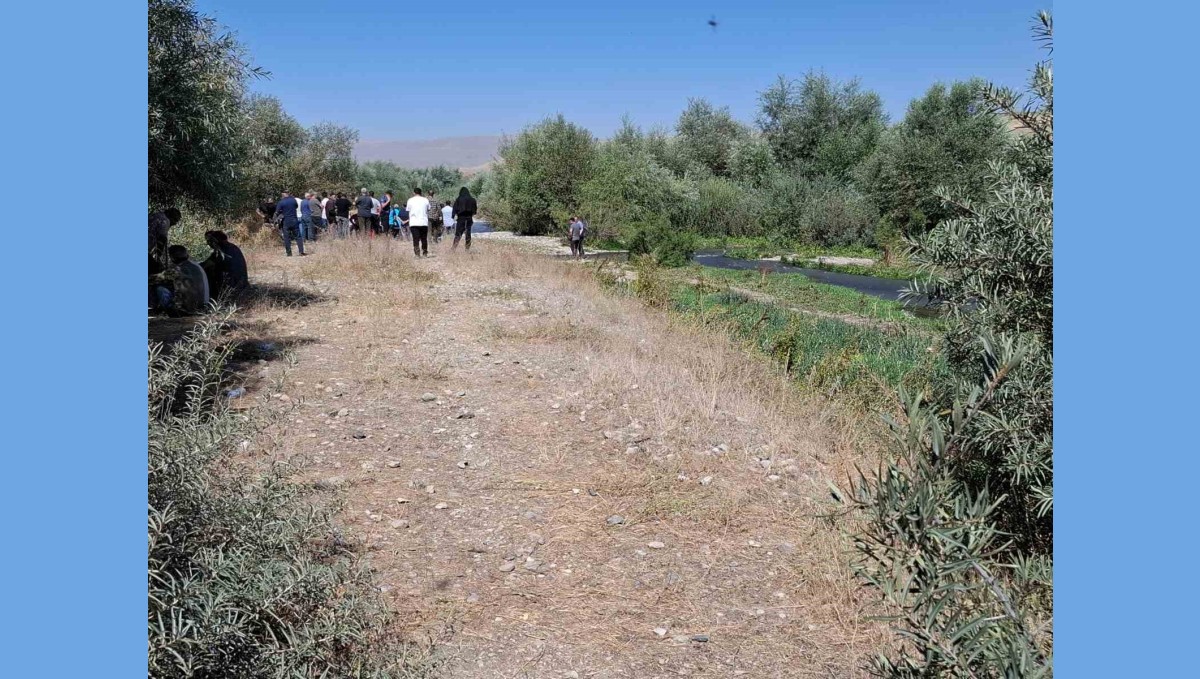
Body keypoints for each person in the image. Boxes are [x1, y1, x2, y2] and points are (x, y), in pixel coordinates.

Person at [153, 245, 210, 315]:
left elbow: (155, 279)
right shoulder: (196, 265)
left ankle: (165, 312)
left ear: (172, 257)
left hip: (188, 310)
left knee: (160, 288)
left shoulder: (177, 269)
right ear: (187, 254)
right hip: (203, 307)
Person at [202, 230, 249, 300]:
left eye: (209, 241)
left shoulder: (220, 252)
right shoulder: (233, 247)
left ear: (215, 241)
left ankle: (210, 297)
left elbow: (205, 265)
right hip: (242, 283)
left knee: (206, 271)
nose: (208, 244)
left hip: (231, 285)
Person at [274, 191, 305, 256]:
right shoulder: (293, 200)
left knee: (287, 237)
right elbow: (296, 207)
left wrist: (275, 221)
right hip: (294, 220)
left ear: (282, 195)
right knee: (298, 236)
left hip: (286, 221)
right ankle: (301, 251)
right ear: (288, 194)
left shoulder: (281, 202)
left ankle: (289, 253)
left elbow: (277, 212)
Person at [406, 187, 432, 257]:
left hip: (414, 222)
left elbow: (408, 209)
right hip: (423, 222)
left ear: (414, 193)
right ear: (421, 193)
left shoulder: (410, 200)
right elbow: (428, 209)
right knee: (424, 238)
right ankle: (425, 253)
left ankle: (417, 254)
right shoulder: (425, 200)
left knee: (415, 238)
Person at [451, 187, 477, 251]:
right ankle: (467, 249)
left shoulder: (459, 199)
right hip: (469, 218)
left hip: (461, 219)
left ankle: (454, 248)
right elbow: (474, 211)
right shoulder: (472, 200)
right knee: (468, 234)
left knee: (458, 234)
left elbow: (454, 209)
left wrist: (453, 216)